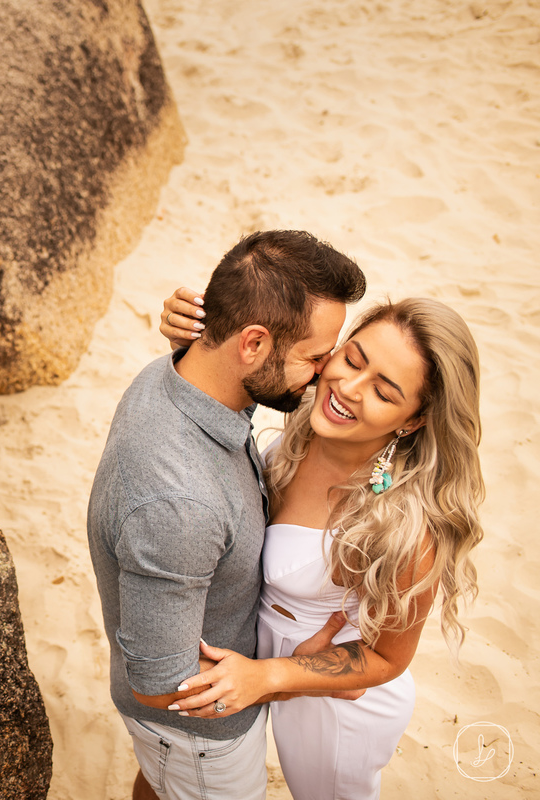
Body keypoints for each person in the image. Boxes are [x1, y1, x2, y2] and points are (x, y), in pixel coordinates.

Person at [160, 291, 484, 799]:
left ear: (413, 420)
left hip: (336, 709)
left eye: (384, 392)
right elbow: (242, 364)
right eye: (352, 358)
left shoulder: (401, 524)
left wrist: (271, 676)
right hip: (259, 667)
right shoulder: (306, 415)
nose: (348, 388)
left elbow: (387, 659)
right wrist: (194, 338)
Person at [87, 230, 368, 800]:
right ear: (253, 344)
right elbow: (162, 688)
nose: (323, 374)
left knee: (156, 780)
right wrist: (279, 681)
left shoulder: (174, 373)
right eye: (315, 358)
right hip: (201, 739)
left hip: (172, 736)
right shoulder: (182, 505)